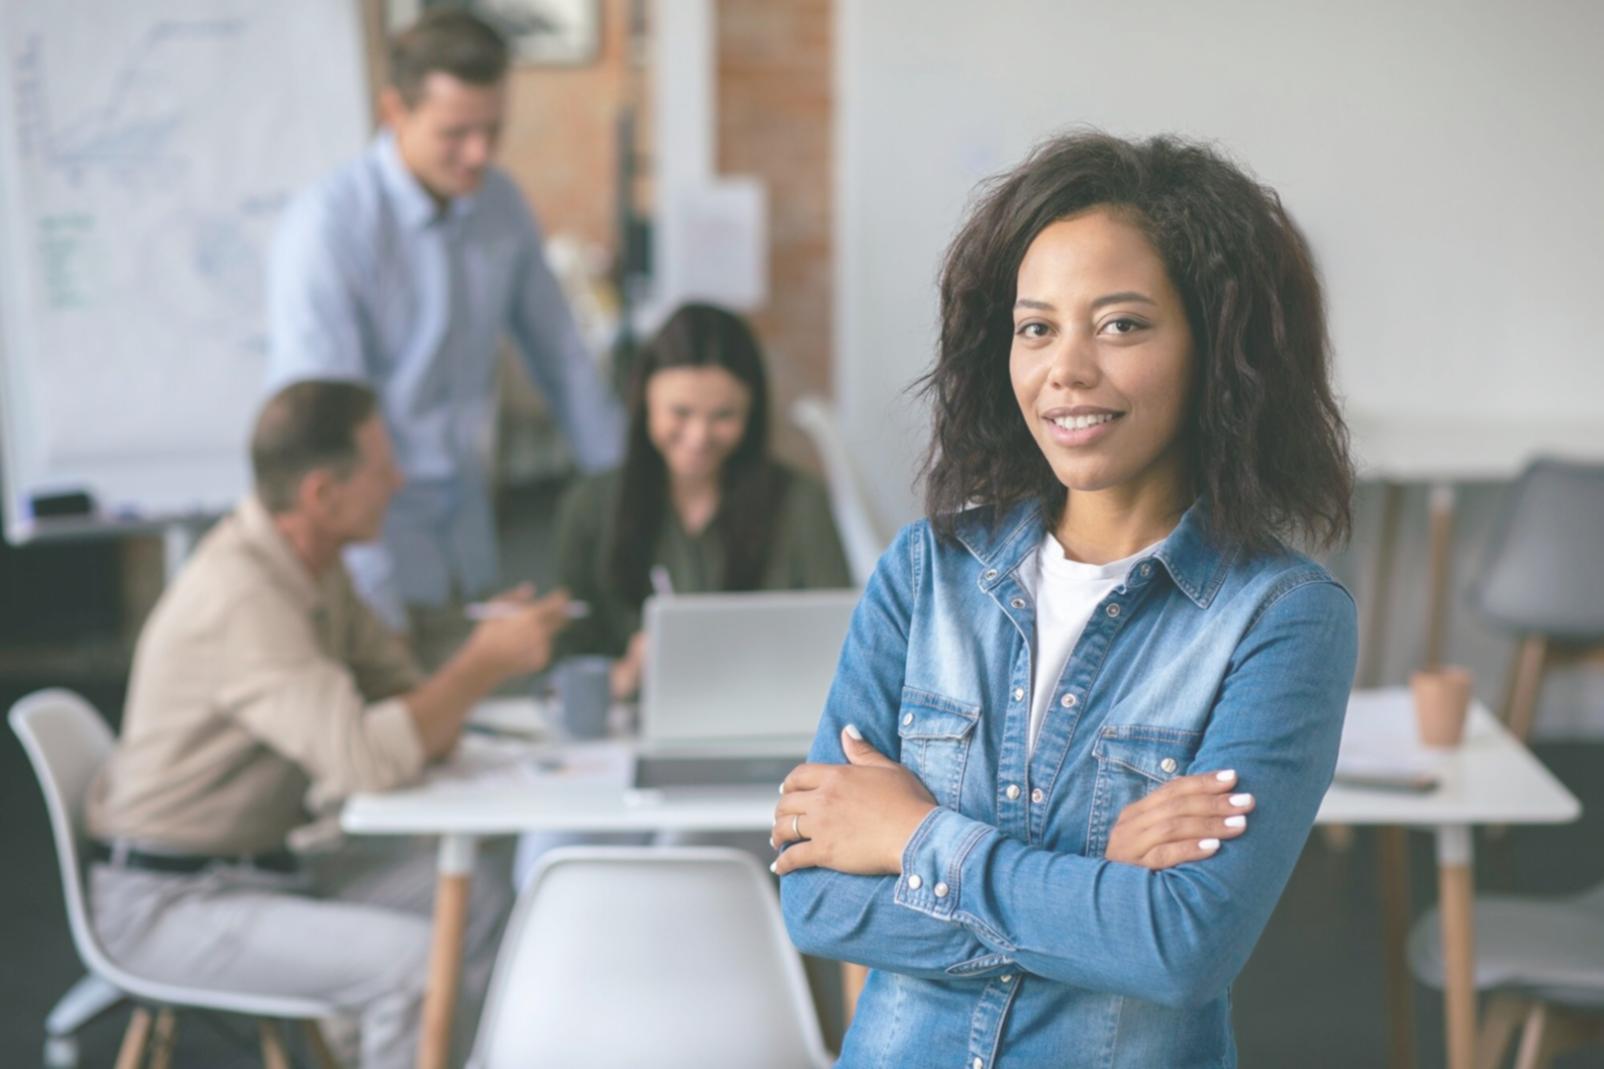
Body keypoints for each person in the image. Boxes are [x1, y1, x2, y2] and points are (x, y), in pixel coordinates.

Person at [770, 132, 1358, 1067]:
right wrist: (1094, 894)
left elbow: (1181, 947)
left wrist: (914, 837)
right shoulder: (925, 571)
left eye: (1121, 324)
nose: (1066, 370)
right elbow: (815, 897)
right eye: (1036, 327)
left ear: (1219, 345)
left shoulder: (1282, 616)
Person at [86, 380, 572, 1069]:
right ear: (322, 493)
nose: (398, 480)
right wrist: (478, 668)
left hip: (260, 864)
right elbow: (366, 759)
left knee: (483, 899)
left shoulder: (316, 564)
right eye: (382, 467)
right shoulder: (245, 595)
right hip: (172, 898)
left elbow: (399, 690)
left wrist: (471, 663)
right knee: (410, 965)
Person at [266, 9, 624, 666]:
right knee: (391, 750)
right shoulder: (329, 229)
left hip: (470, 543)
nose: (479, 154)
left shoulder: (501, 206)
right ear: (394, 111)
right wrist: (374, 595)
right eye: (455, 133)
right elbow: (326, 435)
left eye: (493, 129)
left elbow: (564, 361)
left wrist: (629, 497)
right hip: (369, 559)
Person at [555, 303, 852, 698]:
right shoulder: (590, 506)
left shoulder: (801, 503)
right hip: (627, 728)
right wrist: (626, 674)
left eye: (723, 416)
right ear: (645, 404)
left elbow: (841, 645)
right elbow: (563, 664)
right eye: (680, 413)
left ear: (751, 413)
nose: (698, 437)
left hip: (768, 719)